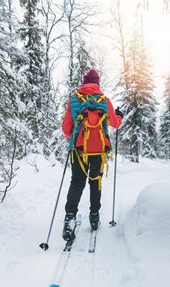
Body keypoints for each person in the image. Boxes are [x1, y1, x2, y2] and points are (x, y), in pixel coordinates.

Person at [61, 69, 123, 241]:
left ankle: (69, 218)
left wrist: (74, 139)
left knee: (77, 182)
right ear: (97, 83)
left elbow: (66, 128)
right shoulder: (104, 101)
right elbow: (115, 124)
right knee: (95, 181)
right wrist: (119, 115)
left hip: (79, 150)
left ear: (84, 82)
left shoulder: (75, 100)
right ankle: (94, 216)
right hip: (99, 151)